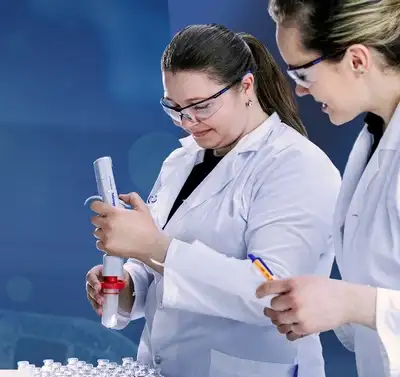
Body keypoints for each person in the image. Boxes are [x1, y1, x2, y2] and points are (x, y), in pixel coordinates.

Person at [85, 23, 341, 377]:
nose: (188, 122)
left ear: (246, 87)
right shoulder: (181, 161)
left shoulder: (296, 166)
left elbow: (273, 293)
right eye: (174, 108)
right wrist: (128, 284)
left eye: (200, 106)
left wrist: (154, 247)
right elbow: (164, 274)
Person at [255, 1, 400, 376]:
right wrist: (320, 303)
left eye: (302, 73)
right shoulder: (375, 136)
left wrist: (350, 303)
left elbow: (366, 299)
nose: (299, 92)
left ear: (356, 60)